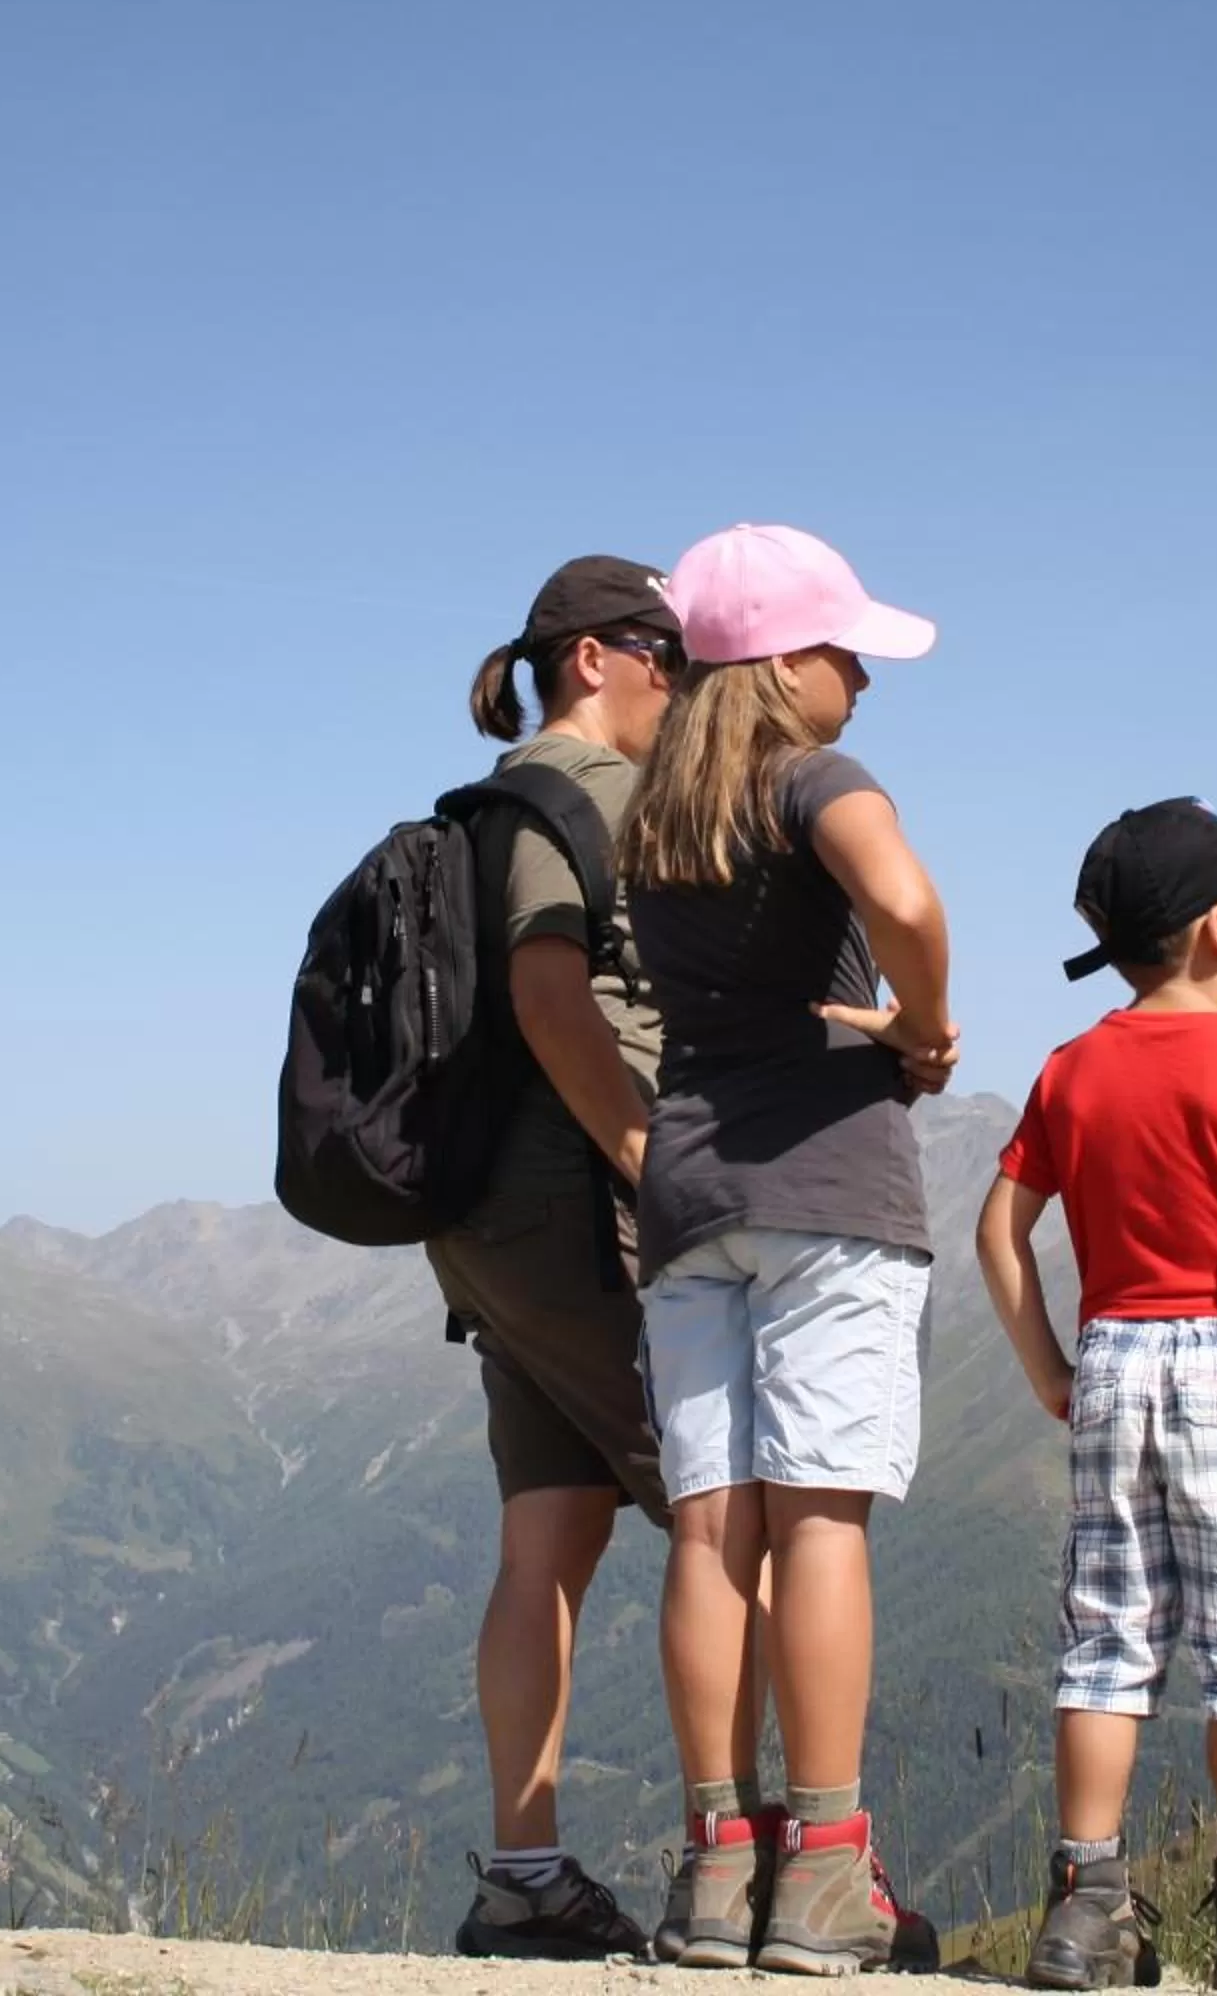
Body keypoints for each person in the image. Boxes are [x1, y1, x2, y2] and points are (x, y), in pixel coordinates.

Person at [621, 522, 957, 1976]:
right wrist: (923, 1020)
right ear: (777, 663)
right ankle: (824, 1870)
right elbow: (906, 901)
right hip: (827, 1188)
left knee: (711, 1530)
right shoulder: (819, 778)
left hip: (690, 1197)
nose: (864, 683)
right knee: (820, 1523)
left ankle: (716, 1864)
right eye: (845, 653)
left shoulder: (655, 817)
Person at [974, 798, 1217, 1994]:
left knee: (1108, 1640)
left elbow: (1001, 1225)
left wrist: (1048, 1365)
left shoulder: (1072, 1065)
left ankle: (1084, 1905)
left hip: (1110, 1366)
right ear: (1216, 927)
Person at [431, 553, 742, 1960]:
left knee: (545, 1537)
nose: (680, 683)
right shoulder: (584, 796)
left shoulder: (481, 811)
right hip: (582, 1206)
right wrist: (644, 1160)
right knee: (724, 1516)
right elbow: (554, 994)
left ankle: (524, 1874)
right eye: (665, 655)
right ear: (594, 659)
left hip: (484, 1216)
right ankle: (745, 1868)